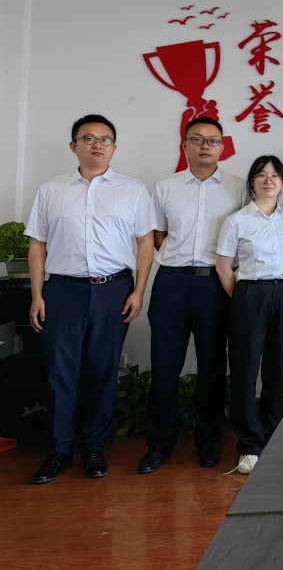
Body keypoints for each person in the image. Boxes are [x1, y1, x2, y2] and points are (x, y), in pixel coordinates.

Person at [26, 114, 155, 484]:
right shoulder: (51, 189)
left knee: (102, 371)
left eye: (105, 139)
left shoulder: (132, 190)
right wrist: (37, 295)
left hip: (113, 290)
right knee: (60, 371)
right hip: (62, 291)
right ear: (74, 146)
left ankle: (95, 448)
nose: (98, 145)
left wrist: (138, 291)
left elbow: (145, 242)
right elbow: (37, 244)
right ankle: (60, 449)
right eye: (88, 138)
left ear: (114, 148)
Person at [139, 117, 248, 474]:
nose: (205, 145)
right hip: (171, 282)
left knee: (213, 365)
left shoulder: (238, 188)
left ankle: (208, 440)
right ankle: (160, 441)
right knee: (165, 365)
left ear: (222, 147)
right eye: (197, 139)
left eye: (212, 140)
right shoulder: (165, 187)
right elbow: (158, 234)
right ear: (184, 145)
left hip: (216, 285)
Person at [215, 155, 283, 475]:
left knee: (277, 367)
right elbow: (223, 266)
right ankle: (249, 444)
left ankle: (271, 434)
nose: (269, 180)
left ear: (282, 182)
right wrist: (244, 296)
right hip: (250, 295)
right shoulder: (236, 220)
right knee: (245, 368)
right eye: (262, 175)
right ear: (252, 181)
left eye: (275, 176)